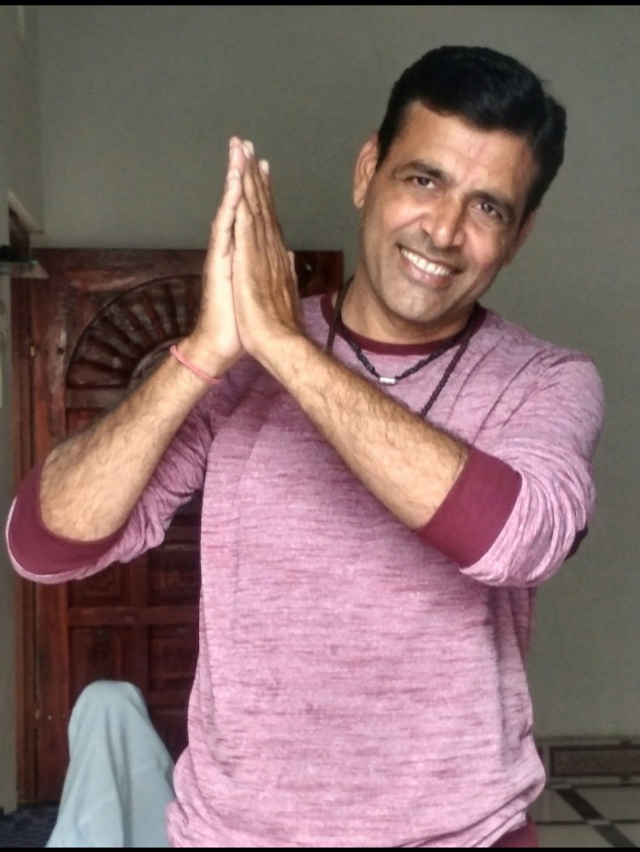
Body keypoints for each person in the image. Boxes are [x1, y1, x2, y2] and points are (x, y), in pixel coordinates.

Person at [6, 45, 604, 847]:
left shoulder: (547, 381)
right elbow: (43, 544)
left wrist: (285, 347)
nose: (444, 230)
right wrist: (205, 353)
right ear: (367, 172)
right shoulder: (235, 366)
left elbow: (517, 538)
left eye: (489, 207)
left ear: (519, 235)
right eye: (423, 180)